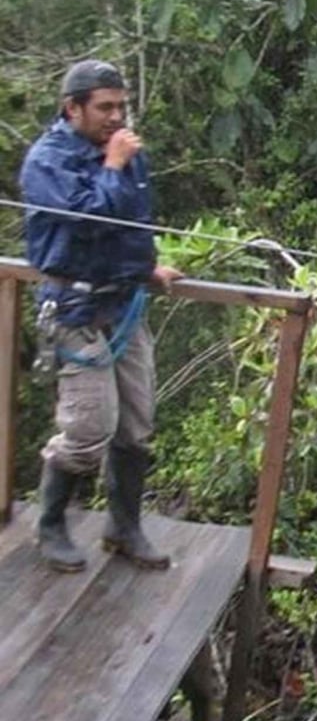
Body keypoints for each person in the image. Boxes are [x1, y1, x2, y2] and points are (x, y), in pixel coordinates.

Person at [20, 59, 183, 572]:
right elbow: (85, 221)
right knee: (89, 428)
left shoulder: (128, 154)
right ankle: (49, 526)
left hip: (125, 301)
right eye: (104, 107)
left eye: (121, 106)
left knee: (136, 424)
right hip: (75, 306)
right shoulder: (47, 161)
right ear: (73, 108)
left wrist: (146, 266)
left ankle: (124, 526)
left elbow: (132, 224)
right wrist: (112, 166)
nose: (116, 116)